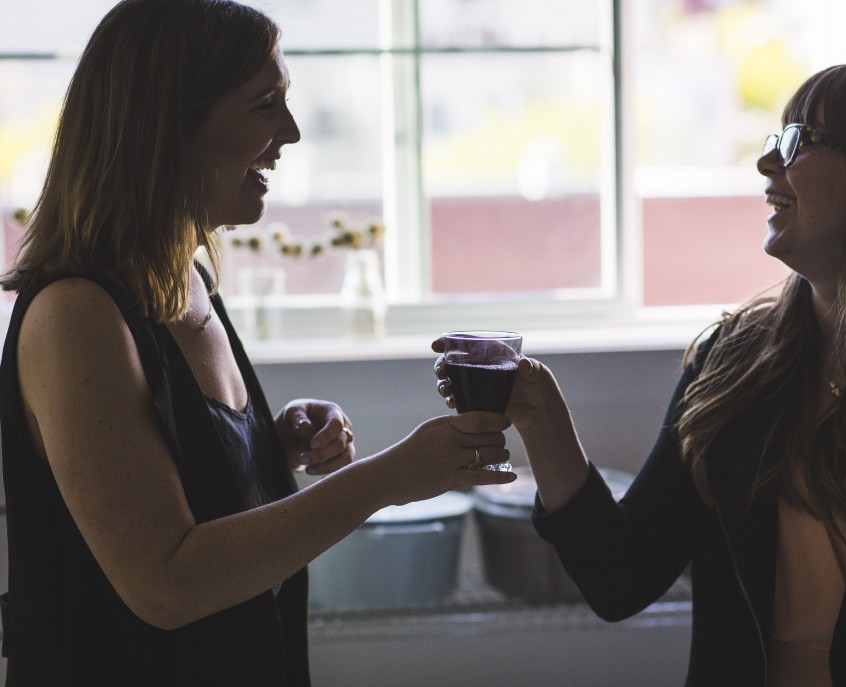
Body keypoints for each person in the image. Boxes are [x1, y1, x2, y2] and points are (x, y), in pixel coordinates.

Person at [435, 64, 846, 686]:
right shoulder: (732, 360)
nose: (767, 163)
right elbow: (621, 579)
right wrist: (542, 416)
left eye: (799, 139)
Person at [0, 1, 516, 685]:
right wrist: (388, 478)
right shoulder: (75, 315)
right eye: (265, 105)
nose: (292, 132)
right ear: (169, 127)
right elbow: (168, 580)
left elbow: (168, 481)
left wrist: (268, 448)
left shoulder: (189, 277)